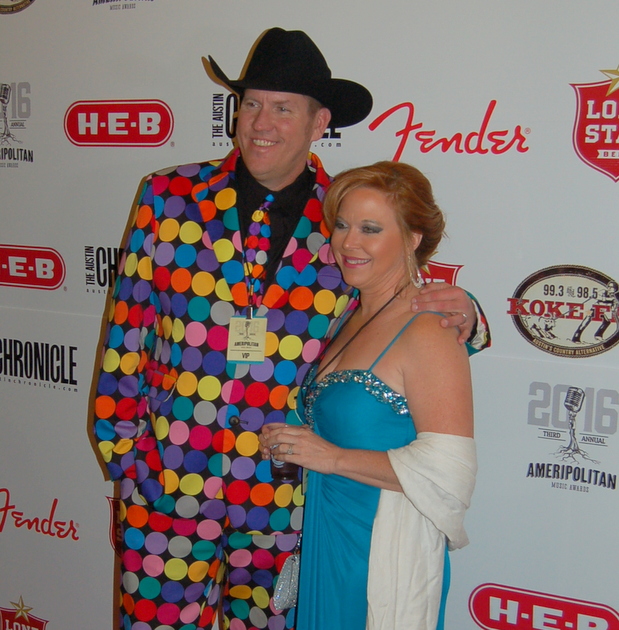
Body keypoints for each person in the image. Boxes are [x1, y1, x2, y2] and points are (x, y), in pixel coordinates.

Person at [91, 28, 487, 630]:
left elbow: (402, 303)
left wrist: (471, 317)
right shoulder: (169, 197)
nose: (261, 123)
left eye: (283, 108)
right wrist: (128, 462)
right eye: (251, 103)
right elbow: (126, 336)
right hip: (166, 486)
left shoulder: (345, 213)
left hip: (289, 498)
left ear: (319, 121)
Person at [260, 161, 477, 630]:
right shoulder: (347, 314)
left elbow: (450, 472)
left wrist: (331, 457)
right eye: (342, 225)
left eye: (370, 229)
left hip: (381, 550)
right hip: (327, 532)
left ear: (413, 238)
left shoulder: (430, 329)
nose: (348, 242)